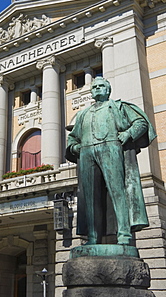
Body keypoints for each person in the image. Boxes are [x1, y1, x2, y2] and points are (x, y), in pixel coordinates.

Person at [66, 77, 156, 245]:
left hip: (112, 147)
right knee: (90, 197)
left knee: (117, 191)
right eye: (95, 87)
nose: (98, 89)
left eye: (101, 86)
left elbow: (141, 123)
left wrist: (128, 134)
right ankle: (92, 237)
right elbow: (72, 138)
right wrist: (75, 148)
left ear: (108, 90)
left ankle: (124, 233)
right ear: (91, 92)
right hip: (87, 152)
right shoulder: (83, 114)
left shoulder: (119, 106)